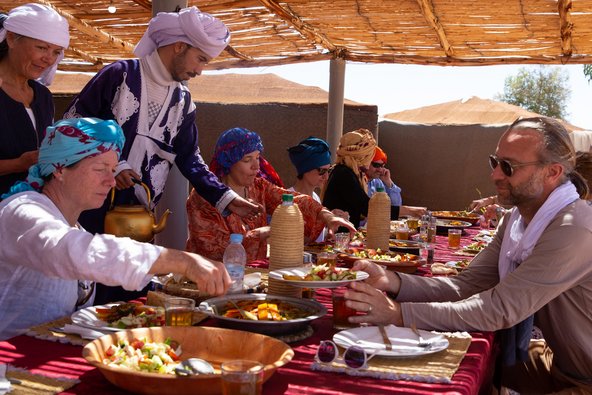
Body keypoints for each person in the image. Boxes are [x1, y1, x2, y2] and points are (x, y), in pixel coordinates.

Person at [346, 117, 592, 393]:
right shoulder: (516, 220)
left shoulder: (573, 228)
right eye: (494, 162)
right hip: (562, 365)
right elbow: (466, 286)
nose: (495, 175)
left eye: (508, 167)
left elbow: (499, 308)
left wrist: (399, 314)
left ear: (552, 172)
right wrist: (395, 282)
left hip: (584, 378)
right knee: (470, 365)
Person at [62, 6, 260, 303]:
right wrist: (116, 166)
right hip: (91, 217)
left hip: (140, 225)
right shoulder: (119, 75)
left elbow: (190, 158)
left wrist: (228, 199)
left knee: (129, 304)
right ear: (179, 46)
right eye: (201, 59)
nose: (200, 70)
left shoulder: (183, 101)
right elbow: (73, 125)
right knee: (88, 298)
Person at [0, 117, 230, 340]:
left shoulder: (74, 227)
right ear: (60, 169)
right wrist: (181, 261)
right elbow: (74, 252)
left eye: (113, 170)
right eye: (100, 169)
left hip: (48, 355)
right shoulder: (23, 211)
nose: (111, 182)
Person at [186, 127, 356, 262]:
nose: (256, 166)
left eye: (258, 157)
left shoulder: (257, 187)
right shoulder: (205, 197)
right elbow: (214, 249)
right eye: (247, 160)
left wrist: (326, 215)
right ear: (228, 163)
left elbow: (292, 199)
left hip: (254, 277)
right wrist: (263, 233)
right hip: (212, 279)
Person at [0, 3, 69, 196]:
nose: (49, 58)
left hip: (31, 208)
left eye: (56, 52)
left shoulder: (43, 96)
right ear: (12, 39)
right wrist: (17, 165)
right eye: (41, 47)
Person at [287, 136, 349, 242]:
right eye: (321, 171)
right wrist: (324, 221)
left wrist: (332, 223)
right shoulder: (289, 200)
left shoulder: (315, 197)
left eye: (328, 171)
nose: (326, 177)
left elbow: (318, 240)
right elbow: (294, 239)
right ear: (306, 169)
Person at [322, 128, 380, 228]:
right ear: (362, 156)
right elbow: (367, 208)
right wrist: (409, 210)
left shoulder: (346, 171)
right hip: (339, 239)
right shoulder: (343, 174)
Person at [365, 147, 426, 218]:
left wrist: (389, 183)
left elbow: (396, 205)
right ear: (366, 163)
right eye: (376, 165)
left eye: (382, 166)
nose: (380, 170)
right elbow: (368, 210)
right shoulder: (358, 181)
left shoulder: (377, 182)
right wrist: (408, 210)